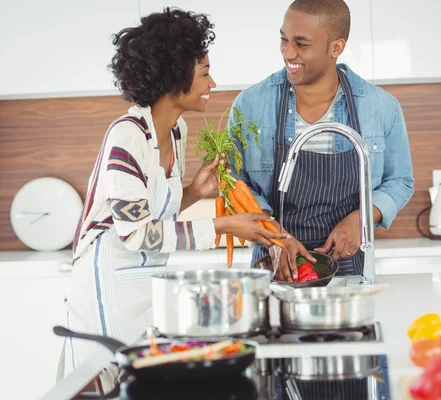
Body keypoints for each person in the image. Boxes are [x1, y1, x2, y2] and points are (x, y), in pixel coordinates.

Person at [59, 8, 288, 390]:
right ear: (174, 79)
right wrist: (221, 227)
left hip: (145, 278)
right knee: (110, 382)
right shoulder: (127, 138)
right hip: (107, 282)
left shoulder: (175, 132)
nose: (212, 82)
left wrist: (195, 192)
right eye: (204, 73)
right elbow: (136, 235)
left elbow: (151, 215)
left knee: (141, 382)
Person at [230, 0, 414, 282]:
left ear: (336, 48)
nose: (288, 52)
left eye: (301, 44)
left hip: (351, 266)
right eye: (284, 39)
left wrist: (361, 218)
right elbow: (233, 180)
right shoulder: (250, 105)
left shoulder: (381, 107)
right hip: (274, 260)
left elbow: (400, 180)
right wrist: (277, 237)